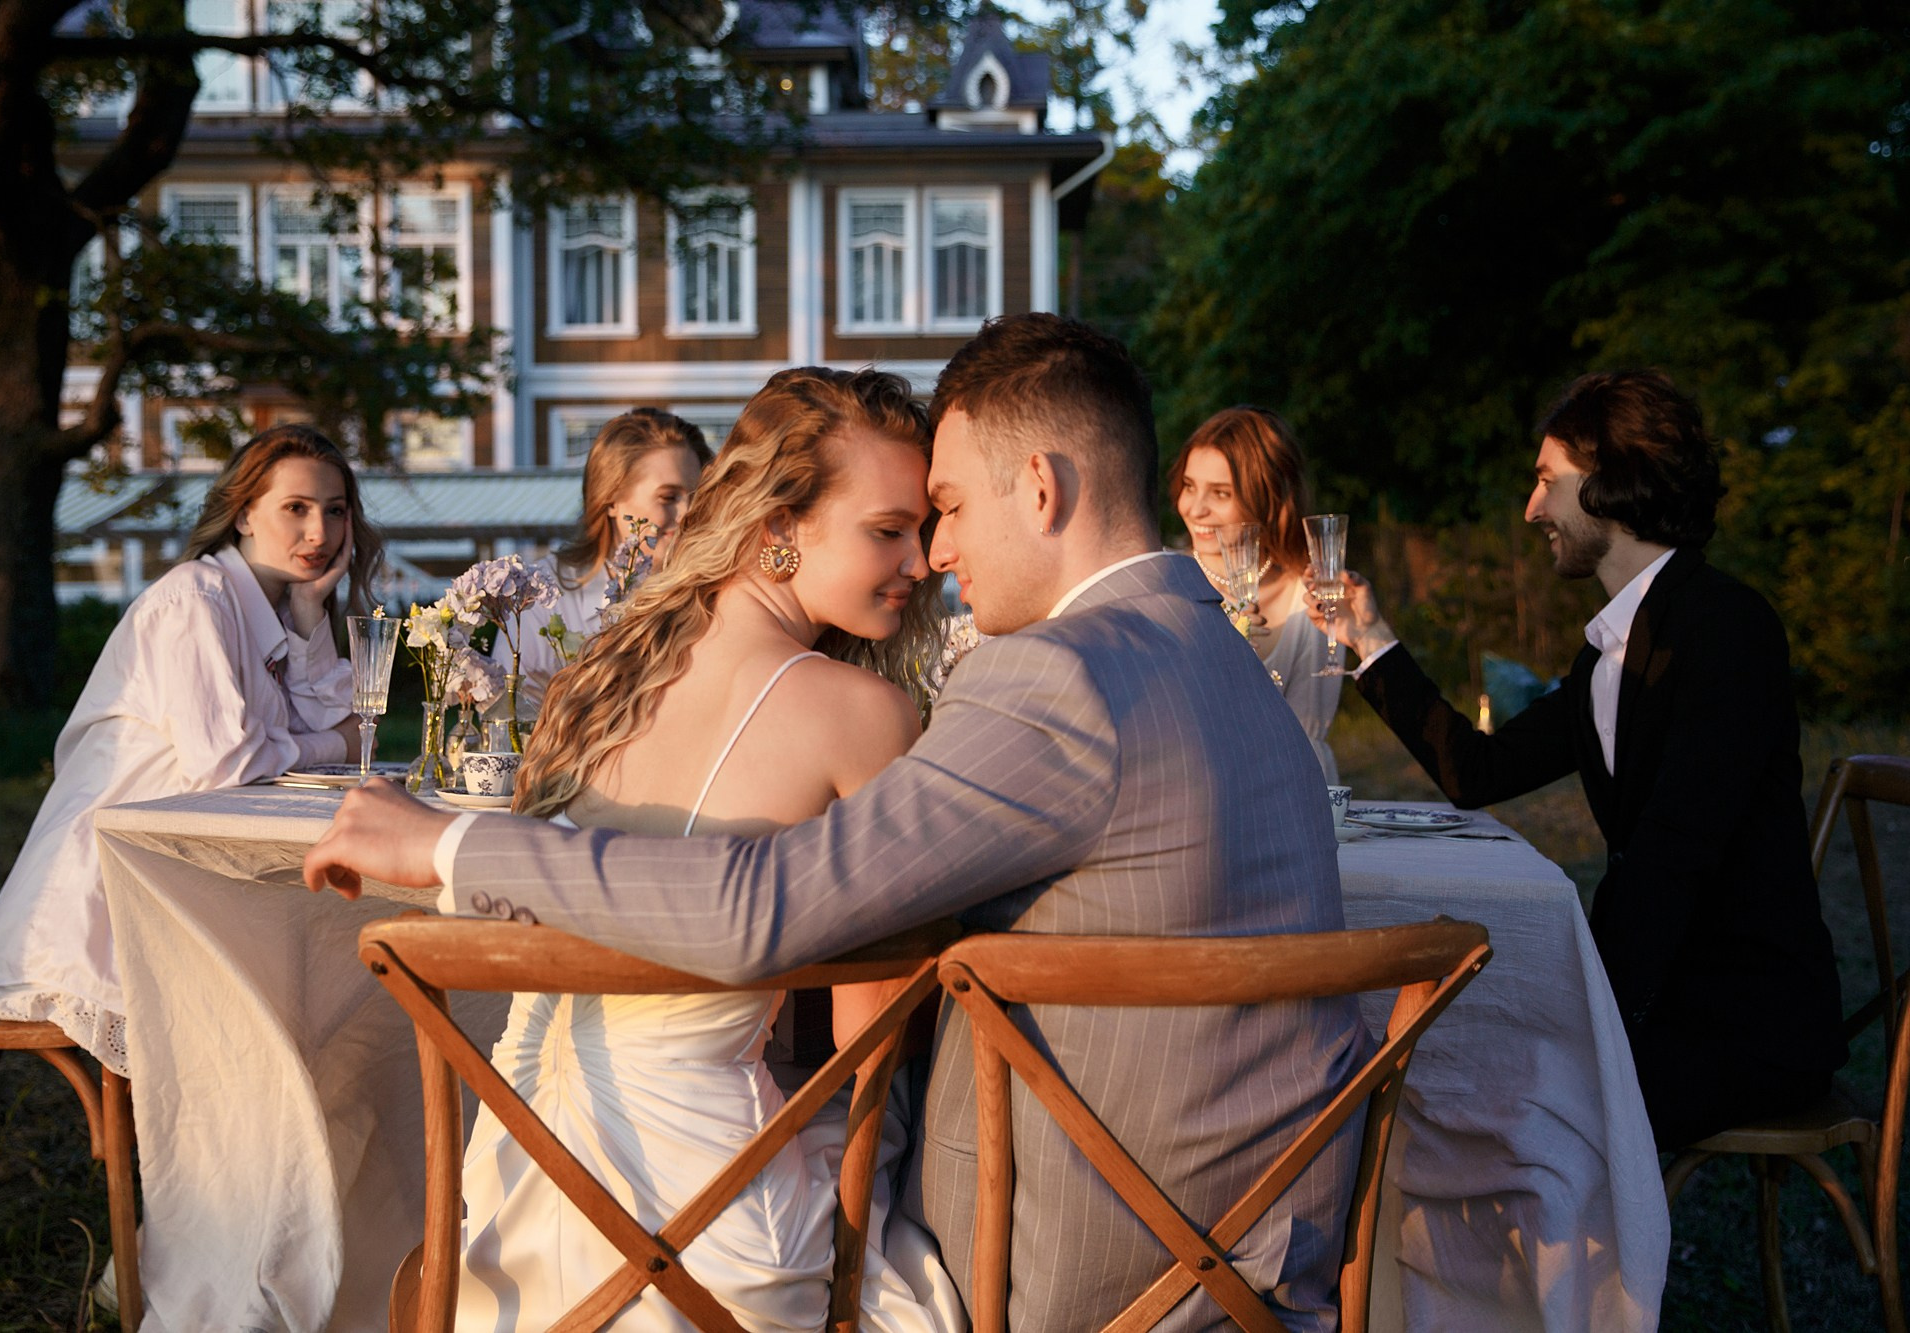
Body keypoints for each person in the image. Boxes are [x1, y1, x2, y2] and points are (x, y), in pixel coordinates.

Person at [307, 314, 1366, 1332]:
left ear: (1038, 489)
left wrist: (447, 841)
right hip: (1258, 1243)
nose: (938, 552)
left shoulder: (1052, 677)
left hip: (1080, 1262)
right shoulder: (1229, 659)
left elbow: (766, 911)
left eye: (943, 508)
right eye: (902, 524)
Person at [454, 367, 959, 1332]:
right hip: (703, 1230)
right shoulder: (862, 713)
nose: (923, 561)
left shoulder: (593, 680)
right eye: (888, 530)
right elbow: (868, 1051)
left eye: (923, 531)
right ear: (777, 525)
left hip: (518, 1191)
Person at [1307, 369, 1846, 1151]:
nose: (1532, 509)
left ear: (1611, 485)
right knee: (1448, 1065)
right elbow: (1478, 773)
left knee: (1494, 1096)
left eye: (1547, 481)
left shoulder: (1727, 626)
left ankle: (1562, 1273)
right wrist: (1371, 638)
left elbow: (1675, 854)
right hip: (1666, 999)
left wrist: (1581, 1007)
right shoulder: (1606, 657)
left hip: (1745, 1024)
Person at [0, 423, 377, 1075]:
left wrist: (308, 617)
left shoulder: (267, 610)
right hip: (106, 906)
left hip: (187, 870)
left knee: (344, 973)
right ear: (244, 512)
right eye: (295, 508)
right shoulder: (195, 599)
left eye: (335, 510)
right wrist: (332, 739)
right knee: (329, 979)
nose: (320, 533)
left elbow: (330, 737)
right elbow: (230, 764)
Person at [1171, 405, 1342, 781]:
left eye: (1220, 493)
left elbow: (1306, 737)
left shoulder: (1309, 594)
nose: (1195, 509)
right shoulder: (1162, 581)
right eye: (1189, 486)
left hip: (1290, 791)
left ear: (1267, 496)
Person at [513, 409, 712, 710]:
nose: (687, 513)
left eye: (697, 497)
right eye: (668, 497)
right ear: (611, 500)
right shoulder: (543, 595)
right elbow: (509, 720)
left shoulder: (712, 593)